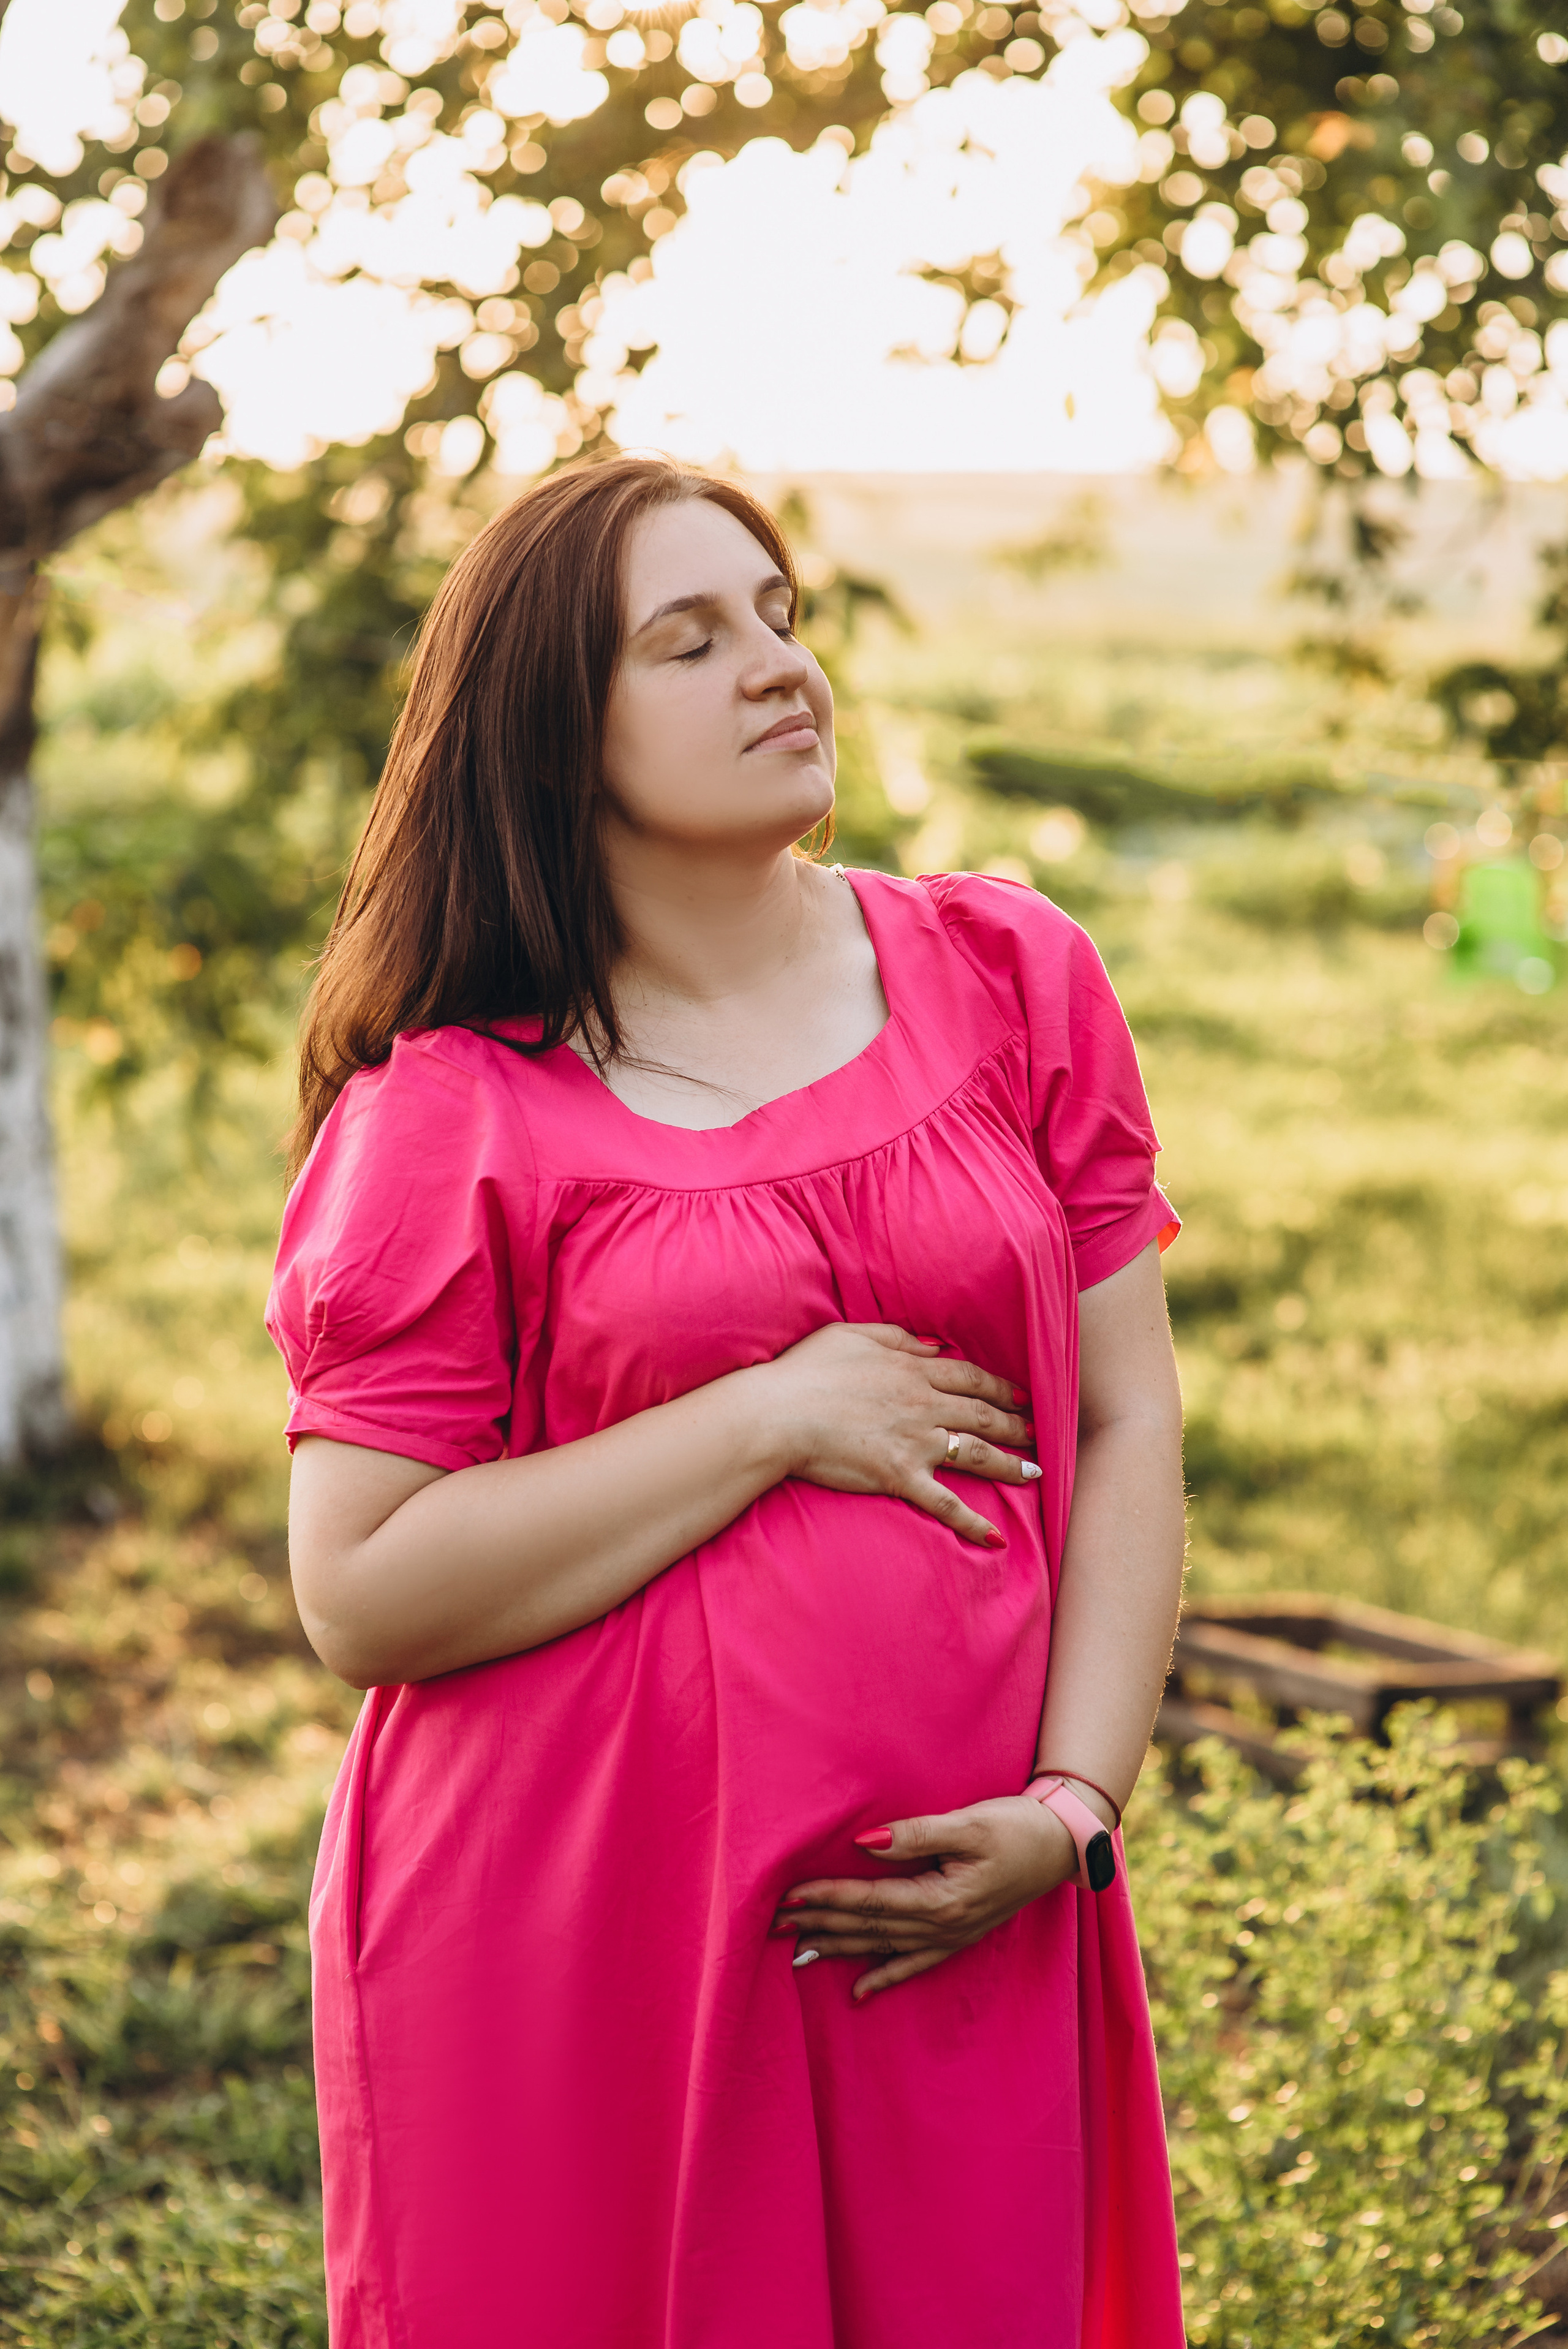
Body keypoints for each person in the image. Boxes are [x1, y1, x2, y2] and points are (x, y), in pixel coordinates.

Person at [268, 455, 1188, 2349]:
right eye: (686, 642)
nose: (779, 668)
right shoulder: (454, 1114)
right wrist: (770, 1413)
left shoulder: (1011, 976)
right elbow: (361, 1585)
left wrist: (1074, 1803)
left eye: (778, 613)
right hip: (576, 1945)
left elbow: (1122, 1419)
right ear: (554, 733)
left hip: (965, 1900)